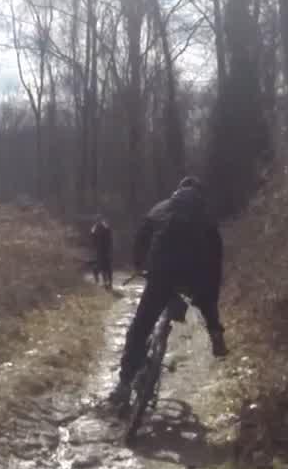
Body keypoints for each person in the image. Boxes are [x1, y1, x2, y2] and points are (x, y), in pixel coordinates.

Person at [109, 176, 227, 410]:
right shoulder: (207, 217)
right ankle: (216, 335)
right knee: (207, 298)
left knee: (141, 326)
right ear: (200, 196)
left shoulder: (161, 208)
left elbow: (141, 238)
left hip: (161, 273)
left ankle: (123, 384)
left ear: (177, 191)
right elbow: (215, 260)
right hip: (194, 277)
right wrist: (209, 292)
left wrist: (141, 265)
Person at [88, 215, 114, 287]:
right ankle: (106, 282)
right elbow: (109, 238)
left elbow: (93, 239)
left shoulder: (97, 228)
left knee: (104, 267)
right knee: (104, 267)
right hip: (102, 250)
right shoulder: (102, 227)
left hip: (102, 250)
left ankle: (105, 282)